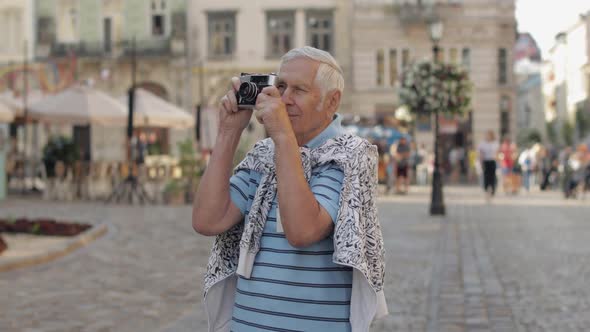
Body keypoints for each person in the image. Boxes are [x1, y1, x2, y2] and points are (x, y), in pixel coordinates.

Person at [192, 46, 387, 331]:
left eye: (299, 90)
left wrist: (282, 135)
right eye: (280, 86)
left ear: (332, 101)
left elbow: (302, 231)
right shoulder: (263, 155)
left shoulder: (348, 154)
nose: (284, 99)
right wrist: (228, 132)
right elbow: (207, 220)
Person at [477, 130, 499, 201]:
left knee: (492, 177)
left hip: (493, 161)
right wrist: (481, 162)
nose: (488, 137)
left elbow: (497, 153)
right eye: (487, 135)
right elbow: (480, 153)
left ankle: (492, 190)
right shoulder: (482, 144)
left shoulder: (495, 143)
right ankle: (486, 190)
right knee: (486, 176)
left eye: (489, 135)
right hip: (485, 161)